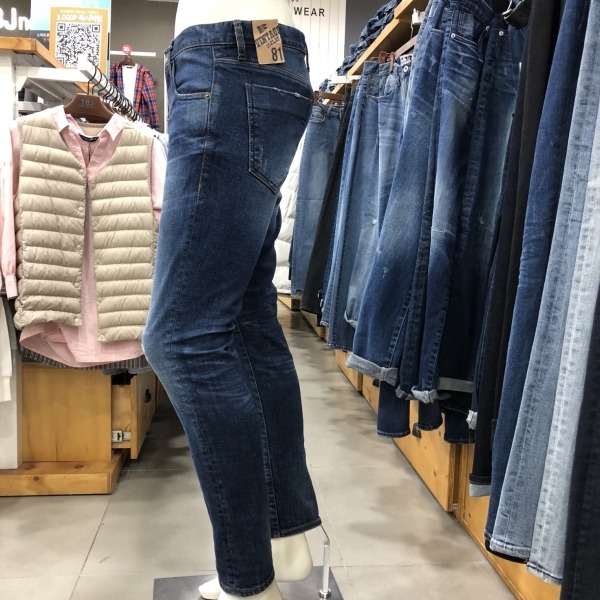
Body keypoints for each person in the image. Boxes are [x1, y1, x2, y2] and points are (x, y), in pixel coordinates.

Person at [142, 1, 321, 599]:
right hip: (254, 60)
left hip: (227, 59)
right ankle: (283, 541)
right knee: (247, 322)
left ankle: (249, 579)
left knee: (180, 339)